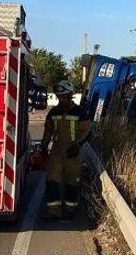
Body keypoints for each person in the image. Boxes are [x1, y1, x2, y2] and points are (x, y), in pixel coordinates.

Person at [41, 80, 91, 221]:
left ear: (70, 95)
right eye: (59, 96)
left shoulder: (79, 112)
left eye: (64, 96)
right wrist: (44, 147)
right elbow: (48, 131)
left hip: (73, 153)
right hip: (56, 152)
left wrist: (78, 145)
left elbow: (87, 130)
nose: (61, 99)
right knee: (51, 180)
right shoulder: (53, 112)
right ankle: (53, 212)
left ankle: (70, 210)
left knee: (72, 182)